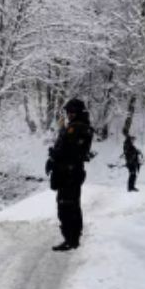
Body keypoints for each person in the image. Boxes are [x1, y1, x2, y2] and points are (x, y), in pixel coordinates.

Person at [46, 98, 94, 251]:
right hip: (70, 172)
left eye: (71, 112)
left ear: (78, 112)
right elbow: (66, 146)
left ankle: (71, 239)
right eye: (68, 112)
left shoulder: (78, 128)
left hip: (69, 173)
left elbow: (68, 150)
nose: (69, 114)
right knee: (71, 205)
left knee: (66, 206)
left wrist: (54, 155)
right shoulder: (77, 127)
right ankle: (72, 238)